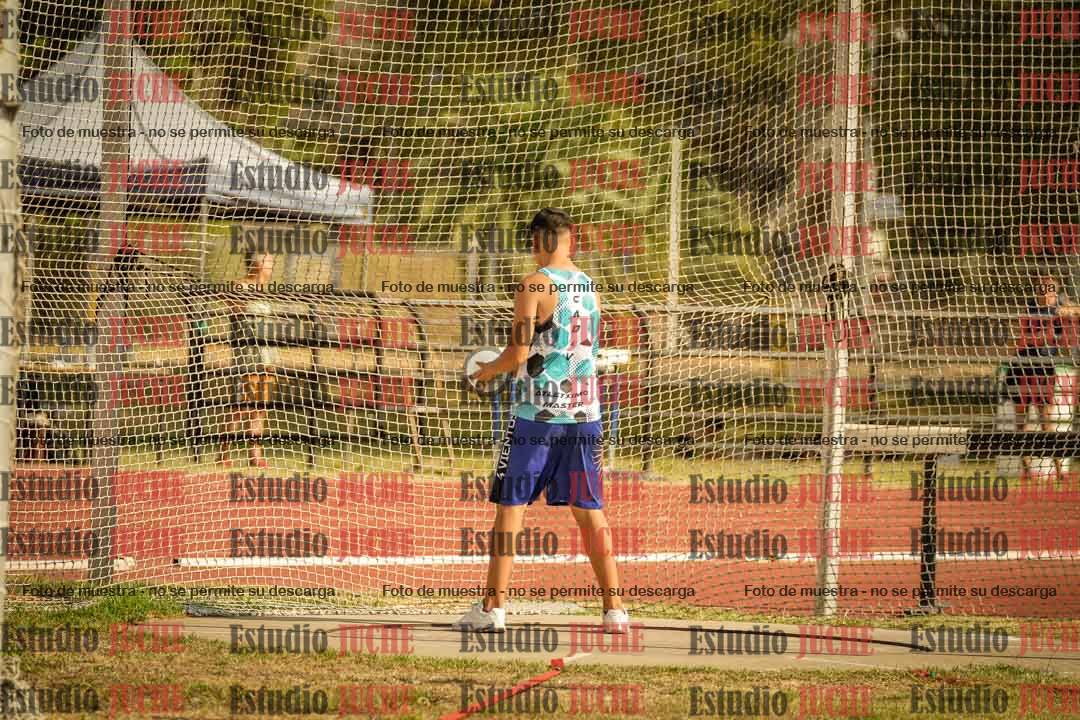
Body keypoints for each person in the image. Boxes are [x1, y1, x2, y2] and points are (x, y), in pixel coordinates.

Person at [452, 208, 629, 634]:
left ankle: (493, 608)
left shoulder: (534, 285)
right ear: (570, 240)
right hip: (585, 415)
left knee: (510, 509)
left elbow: (517, 352)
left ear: (539, 241)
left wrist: (485, 372)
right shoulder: (590, 286)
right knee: (590, 512)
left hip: (537, 417)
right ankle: (615, 610)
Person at [1007, 274, 1080, 478]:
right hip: (1022, 367)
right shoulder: (1030, 307)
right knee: (1021, 421)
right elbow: (1023, 340)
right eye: (1042, 287)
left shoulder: (1060, 307)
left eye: (1050, 288)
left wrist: (1065, 309)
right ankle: (1026, 469)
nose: (1046, 291)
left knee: (1046, 420)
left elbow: (1074, 312)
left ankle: (1058, 469)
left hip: (1045, 368)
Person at [219, 252, 276, 468]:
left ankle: (255, 454)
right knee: (240, 408)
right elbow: (233, 307)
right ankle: (223, 452)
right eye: (268, 262)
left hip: (266, 357)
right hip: (246, 357)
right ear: (257, 264)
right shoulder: (240, 286)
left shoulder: (267, 292)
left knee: (260, 408)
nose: (271, 266)